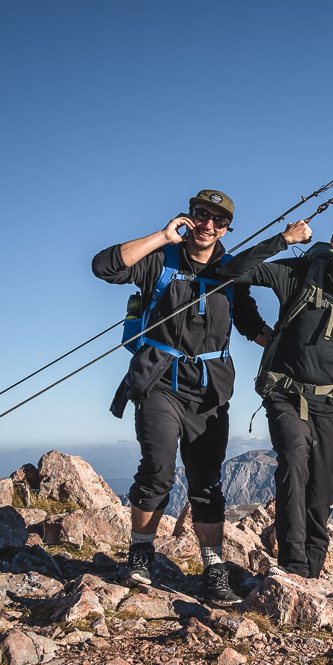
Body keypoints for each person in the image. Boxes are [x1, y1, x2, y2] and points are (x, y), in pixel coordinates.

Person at [92, 189, 270, 604]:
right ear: (189, 217)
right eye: (201, 215)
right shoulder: (160, 259)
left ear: (227, 228)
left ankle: (213, 570)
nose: (208, 224)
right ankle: (140, 554)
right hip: (159, 382)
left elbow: (249, 323)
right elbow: (105, 267)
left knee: (207, 483)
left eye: (218, 220)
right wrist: (161, 237)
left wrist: (284, 350)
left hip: (209, 391)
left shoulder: (231, 270)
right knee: (157, 469)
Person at [220, 211, 333, 579]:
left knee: (323, 490)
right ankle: (292, 566)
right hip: (287, 394)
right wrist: (284, 240)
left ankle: (311, 570)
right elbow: (231, 272)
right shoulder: (296, 275)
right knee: (293, 463)